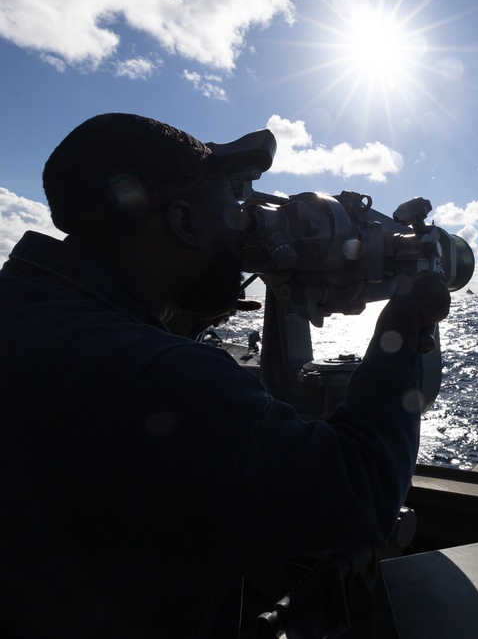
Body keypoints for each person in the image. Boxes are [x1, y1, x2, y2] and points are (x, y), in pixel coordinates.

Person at [0, 113, 450, 637]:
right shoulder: (169, 380)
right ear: (186, 223)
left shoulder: (39, 320)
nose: (243, 242)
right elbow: (364, 489)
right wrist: (402, 323)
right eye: (232, 218)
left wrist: (177, 310)